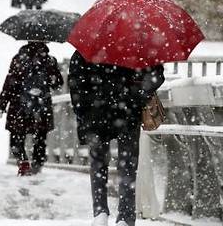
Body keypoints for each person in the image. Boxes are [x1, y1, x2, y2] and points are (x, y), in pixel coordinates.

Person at [68, 51, 165, 226]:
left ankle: (100, 212)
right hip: (127, 111)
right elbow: (156, 75)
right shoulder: (136, 45)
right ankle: (125, 217)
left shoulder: (87, 48)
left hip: (96, 113)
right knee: (127, 164)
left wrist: (83, 112)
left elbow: (75, 84)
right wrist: (138, 93)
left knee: (98, 162)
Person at [0, 41, 63, 176]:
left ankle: (24, 163)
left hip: (20, 103)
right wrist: (53, 78)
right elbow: (57, 84)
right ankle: (36, 165)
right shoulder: (49, 60)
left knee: (17, 136)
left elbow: (10, 82)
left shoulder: (19, 59)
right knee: (39, 137)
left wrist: (3, 102)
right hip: (39, 104)